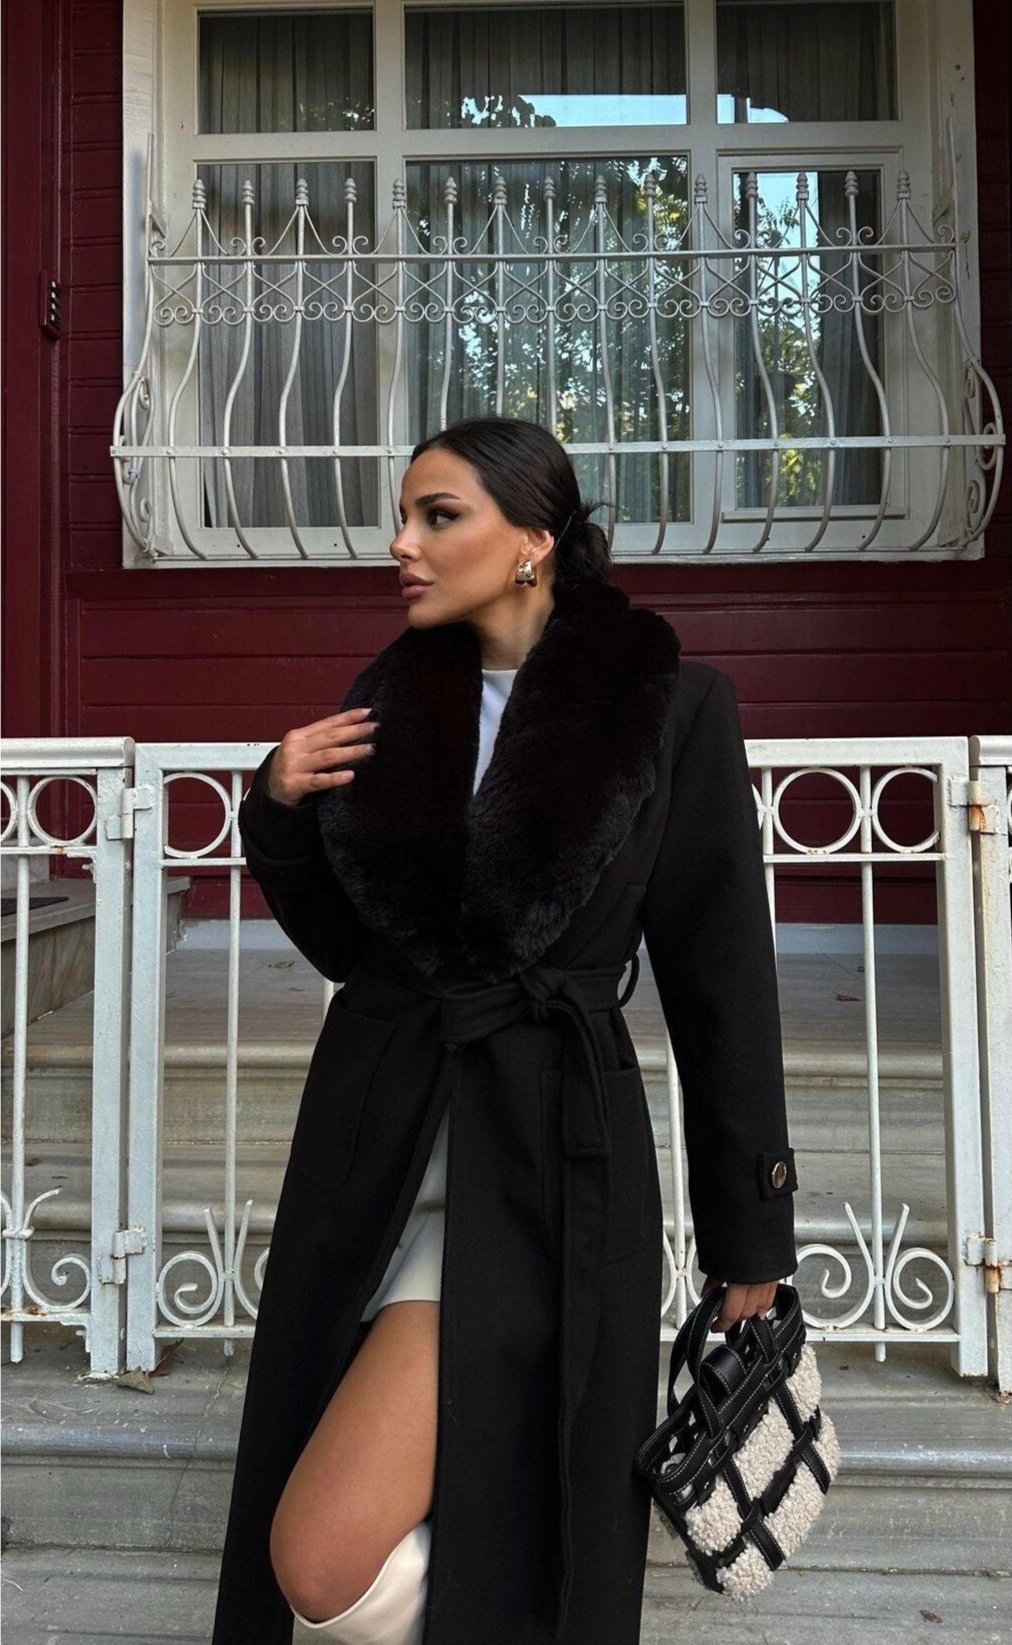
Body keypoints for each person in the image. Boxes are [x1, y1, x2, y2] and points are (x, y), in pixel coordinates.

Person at [212, 415, 798, 1645]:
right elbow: (357, 951)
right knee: (344, 1541)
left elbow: (722, 982)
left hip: (545, 1154)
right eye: (402, 516)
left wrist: (752, 1234)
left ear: (532, 539)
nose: (401, 544)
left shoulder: (668, 705)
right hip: (374, 1146)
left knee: (324, 1551)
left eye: (439, 516)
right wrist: (277, 807)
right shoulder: (389, 706)